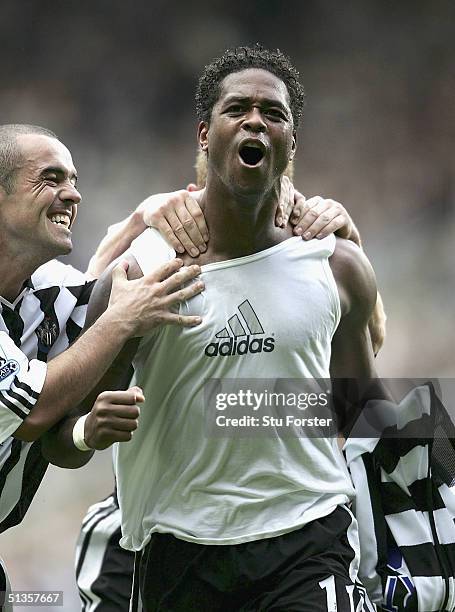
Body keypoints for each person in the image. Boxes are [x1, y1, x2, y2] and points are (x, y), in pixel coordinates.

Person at [64, 45, 383, 611]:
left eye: (274, 113)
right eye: (237, 109)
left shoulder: (335, 264)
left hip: (309, 539)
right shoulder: (142, 271)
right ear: (204, 134)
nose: (256, 120)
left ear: (291, 144)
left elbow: (358, 406)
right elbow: (68, 430)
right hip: (179, 545)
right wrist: (90, 428)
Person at [0, 123, 208, 609]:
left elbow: (108, 283)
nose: (72, 194)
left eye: (73, 179)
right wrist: (121, 320)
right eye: (50, 179)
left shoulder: (46, 287)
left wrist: (146, 216)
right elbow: (33, 411)